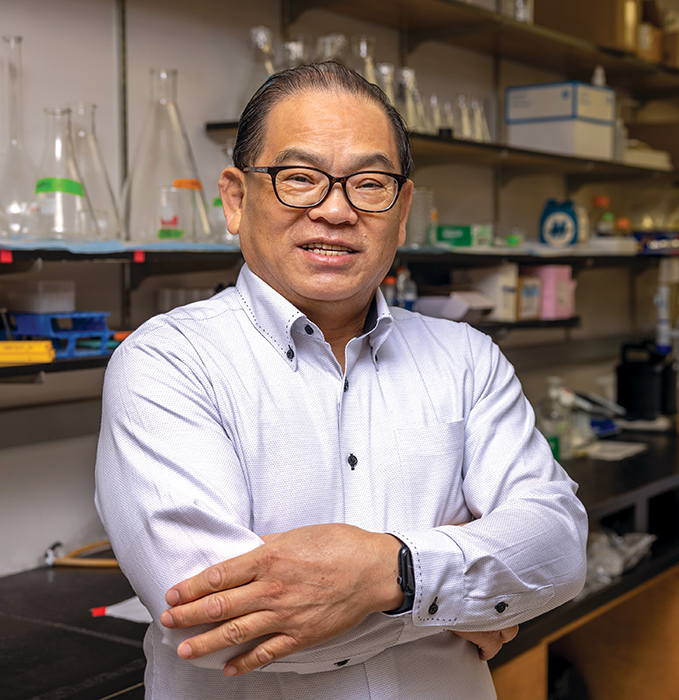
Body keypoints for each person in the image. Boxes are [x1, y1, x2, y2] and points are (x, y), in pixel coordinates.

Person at [95, 61, 588, 699]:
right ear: (236, 199)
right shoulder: (166, 362)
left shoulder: (467, 357)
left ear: (402, 209)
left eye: (370, 183)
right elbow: (223, 627)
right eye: (299, 179)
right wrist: (465, 587)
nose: (335, 210)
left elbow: (557, 550)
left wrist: (395, 572)